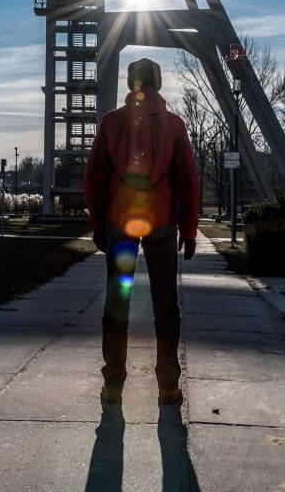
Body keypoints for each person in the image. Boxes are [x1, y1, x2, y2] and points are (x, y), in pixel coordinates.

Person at [84, 57, 200, 407]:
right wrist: (189, 229)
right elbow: (188, 181)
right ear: (158, 82)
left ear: (130, 82)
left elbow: (94, 178)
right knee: (165, 303)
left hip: (121, 220)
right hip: (161, 221)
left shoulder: (112, 123)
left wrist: (98, 225)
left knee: (118, 303)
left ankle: (114, 384)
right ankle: (167, 385)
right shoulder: (174, 125)